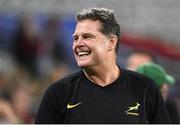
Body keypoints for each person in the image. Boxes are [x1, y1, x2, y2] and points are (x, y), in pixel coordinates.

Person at [35, 7, 170, 123]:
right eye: (76, 38)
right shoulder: (58, 92)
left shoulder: (145, 88)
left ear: (111, 42)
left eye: (87, 37)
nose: (78, 44)